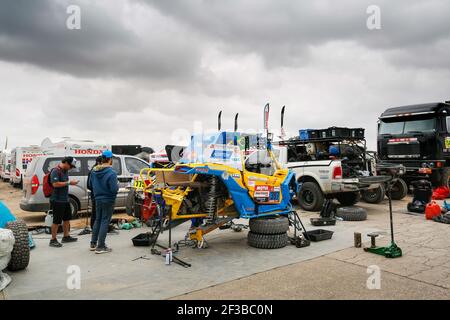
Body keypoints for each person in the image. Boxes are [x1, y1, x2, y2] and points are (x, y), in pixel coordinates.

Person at [90, 150, 118, 254]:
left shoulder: (94, 171)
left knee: (98, 220)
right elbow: (114, 189)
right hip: (108, 199)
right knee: (105, 221)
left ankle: (93, 243)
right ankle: (100, 246)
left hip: (97, 198)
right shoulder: (111, 173)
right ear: (110, 159)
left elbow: (91, 184)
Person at [49, 156, 79, 248]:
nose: (71, 168)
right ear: (66, 163)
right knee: (56, 220)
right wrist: (69, 183)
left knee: (67, 218)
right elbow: (55, 184)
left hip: (65, 199)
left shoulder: (65, 171)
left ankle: (66, 236)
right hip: (57, 200)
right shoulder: (55, 171)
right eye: (70, 166)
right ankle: (53, 239)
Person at [87, 156, 103, 230]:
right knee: (95, 212)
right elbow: (89, 185)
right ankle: (94, 227)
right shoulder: (94, 171)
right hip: (96, 195)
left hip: (96, 194)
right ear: (99, 162)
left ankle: (97, 228)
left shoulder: (96, 170)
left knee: (97, 212)